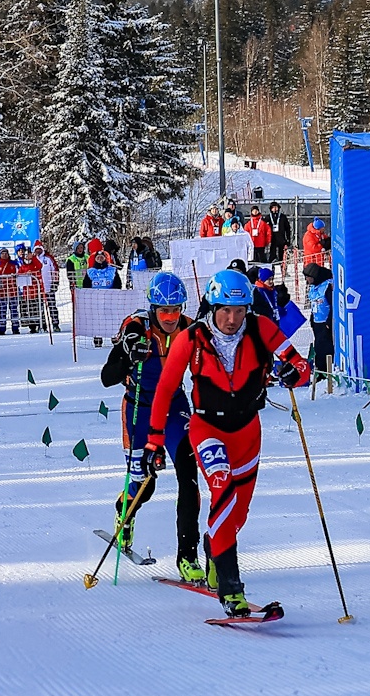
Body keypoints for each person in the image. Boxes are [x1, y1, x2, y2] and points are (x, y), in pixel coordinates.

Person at [144, 269, 311, 616]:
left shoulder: (261, 328)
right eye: (225, 311)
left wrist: (295, 372)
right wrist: (153, 441)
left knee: (237, 514)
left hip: (248, 432)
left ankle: (213, 546)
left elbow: (300, 365)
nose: (232, 319)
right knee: (222, 492)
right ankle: (231, 590)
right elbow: (164, 390)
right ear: (212, 306)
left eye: (239, 311)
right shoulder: (191, 338)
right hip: (207, 429)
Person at [101, 272, 200, 572]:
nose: (170, 317)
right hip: (140, 408)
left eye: (176, 309)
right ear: (153, 308)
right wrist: (129, 357)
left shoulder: (189, 328)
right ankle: (124, 514)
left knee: (188, 475)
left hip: (174, 407)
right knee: (145, 483)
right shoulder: (136, 328)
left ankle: (188, 555)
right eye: (164, 311)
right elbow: (108, 378)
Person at [307, 264, 335, 392]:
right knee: (318, 346)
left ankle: (326, 373)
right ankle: (319, 372)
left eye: (309, 278)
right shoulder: (313, 287)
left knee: (325, 347)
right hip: (317, 321)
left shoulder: (327, 286)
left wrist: (329, 321)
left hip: (326, 322)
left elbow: (332, 304)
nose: (307, 281)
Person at [302, 218, 331, 285]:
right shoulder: (308, 235)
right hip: (311, 262)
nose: (324, 229)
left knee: (319, 279)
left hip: (318, 260)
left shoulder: (320, 234)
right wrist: (322, 246)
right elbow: (313, 248)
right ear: (318, 228)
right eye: (322, 228)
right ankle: (308, 293)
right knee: (311, 280)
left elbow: (325, 239)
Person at [265, 202, 292, 271]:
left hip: (281, 239)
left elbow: (287, 229)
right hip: (272, 240)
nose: (275, 209)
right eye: (273, 207)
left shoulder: (283, 217)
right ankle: (271, 270)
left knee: (282, 256)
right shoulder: (268, 217)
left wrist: (288, 240)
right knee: (272, 256)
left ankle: (283, 270)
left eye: (276, 207)